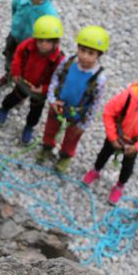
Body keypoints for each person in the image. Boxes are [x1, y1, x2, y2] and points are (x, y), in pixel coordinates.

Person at [82, 65, 138, 204]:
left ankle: (120, 185)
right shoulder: (128, 96)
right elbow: (109, 112)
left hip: (133, 144)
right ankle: (96, 170)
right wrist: (112, 137)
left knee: (127, 166)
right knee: (104, 154)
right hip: (116, 135)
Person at [35, 25, 110, 173]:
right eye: (82, 50)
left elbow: (95, 104)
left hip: (77, 114)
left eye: (91, 53)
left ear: (98, 55)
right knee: (50, 129)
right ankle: (47, 147)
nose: (84, 56)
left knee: (71, 137)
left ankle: (65, 156)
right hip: (58, 105)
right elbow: (55, 79)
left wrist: (84, 125)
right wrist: (51, 99)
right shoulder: (68, 62)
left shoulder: (99, 79)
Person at [0, 15, 65, 143]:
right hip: (23, 82)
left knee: (35, 111)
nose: (43, 44)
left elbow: (58, 80)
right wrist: (15, 72)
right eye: (40, 40)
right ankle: (4, 108)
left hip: (40, 91)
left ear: (56, 42)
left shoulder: (59, 59)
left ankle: (29, 126)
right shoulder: (28, 45)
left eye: (48, 41)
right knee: (13, 98)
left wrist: (44, 89)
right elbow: (18, 55)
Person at [0, 0, 62, 89]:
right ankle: (8, 74)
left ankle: (21, 88)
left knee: (27, 66)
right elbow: (14, 9)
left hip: (32, 45)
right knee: (10, 57)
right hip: (14, 37)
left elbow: (51, 35)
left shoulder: (49, 13)